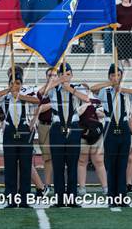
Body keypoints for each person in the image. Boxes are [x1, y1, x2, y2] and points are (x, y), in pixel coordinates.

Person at [91, 64, 132, 207]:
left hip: (124, 127)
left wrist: (121, 88)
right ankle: (111, 197)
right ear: (109, 77)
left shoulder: (126, 91)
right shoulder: (104, 91)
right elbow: (92, 89)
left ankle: (122, 196)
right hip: (110, 127)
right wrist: (111, 84)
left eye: (118, 75)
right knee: (111, 164)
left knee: (122, 164)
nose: (116, 78)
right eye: (113, 75)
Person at [0, 69, 39, 208]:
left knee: (25, 166)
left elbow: (38, 100)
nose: (15, 85)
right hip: (10, 132)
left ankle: (24, 199)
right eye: (12, 83)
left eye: (17, 83)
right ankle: (11, 198)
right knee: (10, 166)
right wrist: (8, 91)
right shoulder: (5, 96)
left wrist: (20, 96)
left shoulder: (27, 92)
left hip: (24, 131)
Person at [41, 63, 89, 207]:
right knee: (58, 165)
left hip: (73, 127)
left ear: (72, 75)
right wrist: (57, 81)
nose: (66, 76)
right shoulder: (53, 88)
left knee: (72, 164)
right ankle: (60, 199)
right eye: (63, 74)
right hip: (57, 127)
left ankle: (72, 198)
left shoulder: (77, 87)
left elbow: (86, 98)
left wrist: (70, 89)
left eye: (68, 74)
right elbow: (41, 93)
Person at [76, 84, 107, 196]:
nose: (82, 92)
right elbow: (76, 114)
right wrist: (85, 105)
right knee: (82, 161)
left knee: (99, 161)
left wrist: (99, 112)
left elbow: (102, 113)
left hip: (96, 134)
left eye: (84, 90)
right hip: (82, 133)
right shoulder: (76, 101)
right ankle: (82, 187)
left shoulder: (95, 100)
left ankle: (105, 187)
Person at [34, 68, 57, 192]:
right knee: (47, 157)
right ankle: (47, 184)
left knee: (61, 156)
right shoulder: (42, 91)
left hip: (59, 125)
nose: (52, 77)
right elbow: (38, 109)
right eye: (50, 75)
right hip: (45, 125)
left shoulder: (61, 89)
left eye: (54, 75)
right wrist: (53, 104)